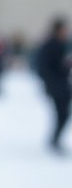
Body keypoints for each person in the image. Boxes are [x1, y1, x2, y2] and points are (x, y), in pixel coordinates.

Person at [35, 17, 71, 151]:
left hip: (62, 86)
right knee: (62, 114)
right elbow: (44, 68)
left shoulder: (60, 44)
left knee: (63, 114)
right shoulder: (51, 45)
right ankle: (55, 140)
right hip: (57, 87)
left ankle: (55, 140)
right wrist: (52, 84)